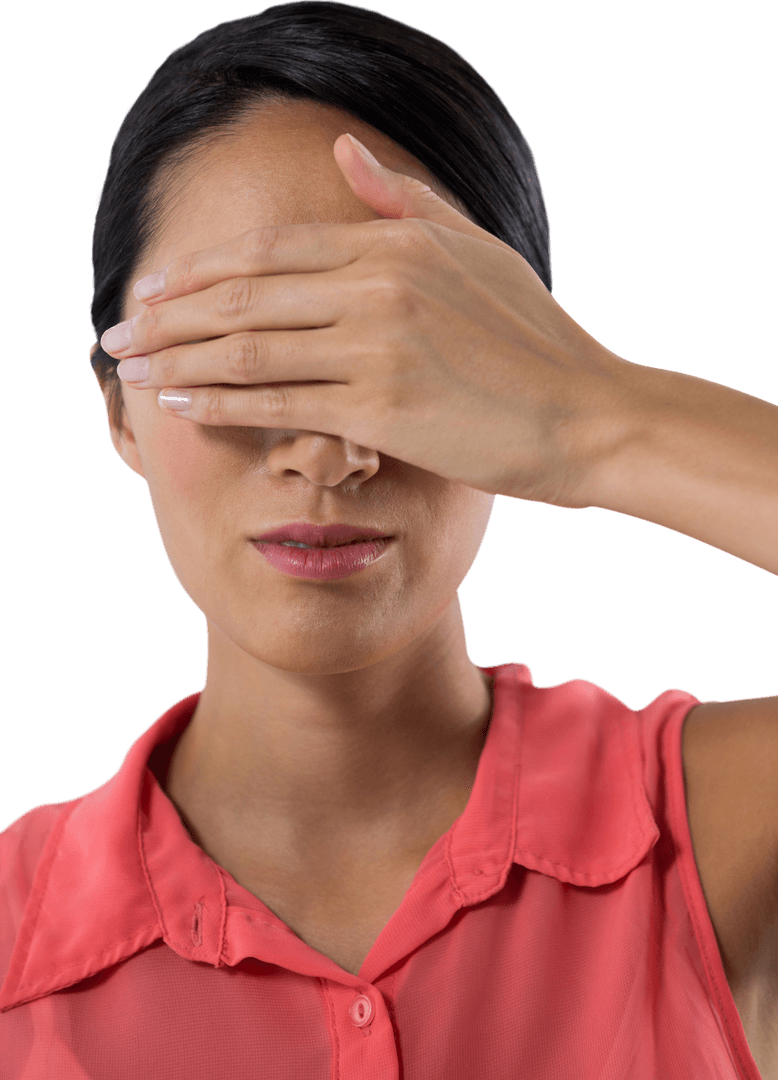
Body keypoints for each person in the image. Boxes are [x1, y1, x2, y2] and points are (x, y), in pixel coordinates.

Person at [1, 3, 776, 1077]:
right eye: (241, 351)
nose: (326, 453)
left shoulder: (719, 832)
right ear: (119, 409)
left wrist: (593, 417)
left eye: (396, 353)